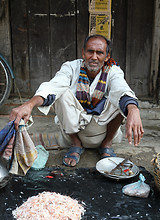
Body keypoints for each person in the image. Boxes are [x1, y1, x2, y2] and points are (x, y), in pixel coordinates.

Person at [9, 34, 144, 167]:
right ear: (83, 53)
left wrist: (133, 109)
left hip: (104, 131)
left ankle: (106, 145)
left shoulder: (113, 71)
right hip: (74, 130)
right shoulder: (71, 67)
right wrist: (29, 104)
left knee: (120, 99)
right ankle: (76, 144)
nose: (94, 57)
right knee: (60, 92)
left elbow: (121, 89)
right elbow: (54, 86)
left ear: (107, 56)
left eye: (100, 53)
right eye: (90, 51)